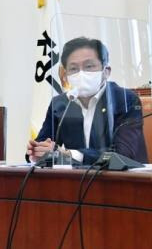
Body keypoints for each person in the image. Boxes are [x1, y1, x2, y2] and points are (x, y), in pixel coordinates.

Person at [27, 37, 147, 165]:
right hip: (74, 176)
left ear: (106, 72)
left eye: (89, 66)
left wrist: (70, 155)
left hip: (123, 176)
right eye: (73, 69)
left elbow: (123, 154)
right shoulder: (60, 104)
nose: (81, 74)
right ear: (65, 75)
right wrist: (37, 151)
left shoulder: (125, 100)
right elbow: (42, 144)